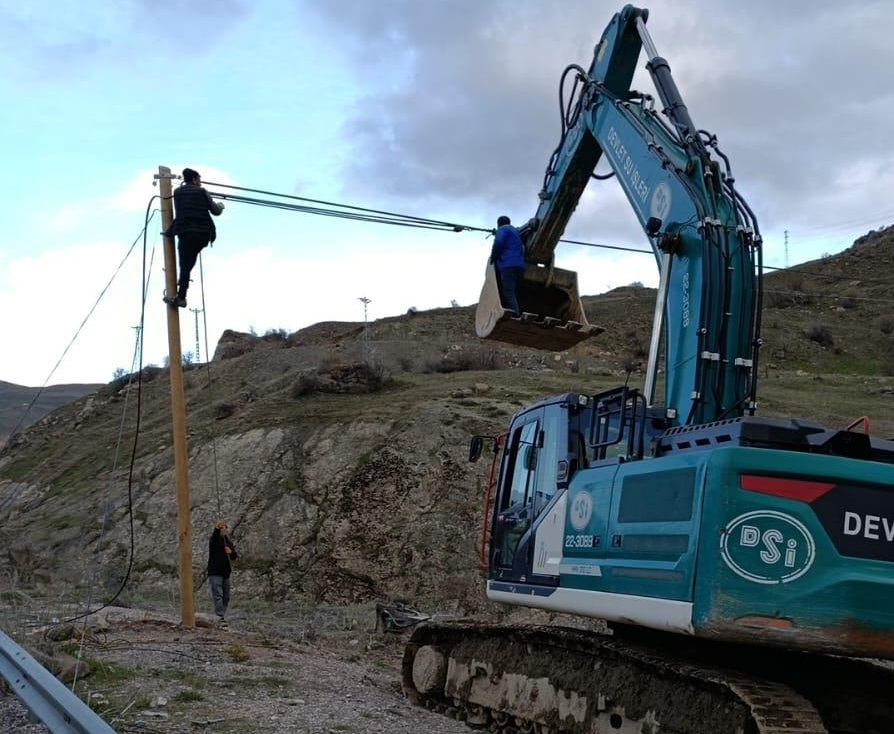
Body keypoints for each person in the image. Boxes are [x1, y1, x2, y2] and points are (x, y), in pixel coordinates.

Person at [163, 168, 225, 308]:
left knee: (185, 265)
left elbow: (180, 214)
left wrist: (169, 231)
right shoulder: (202, 192)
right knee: (188, 263)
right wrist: (221, 206)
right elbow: (215, 211)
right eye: (199, 179)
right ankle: (181, 291)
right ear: (194, 179)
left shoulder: (177, 193)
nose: (200, 182)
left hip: (185, 233)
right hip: (203, 234)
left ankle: (181, 295)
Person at [489, 215, 526, 317]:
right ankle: (517, 314)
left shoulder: (502, 229)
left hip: (508, 265)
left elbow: (498, 242)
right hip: (520, 266)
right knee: (514, 293)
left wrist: (493, 257)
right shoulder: (516, 232)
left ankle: (515, 316)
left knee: (508, 292)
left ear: (498, 224)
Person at [208, 519, 238, 628]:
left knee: (226, 597)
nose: (224, 530)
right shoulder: (214, 540)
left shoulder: (228, 542)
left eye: (225, 528)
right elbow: (215, 536)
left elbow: (234, 556)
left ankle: (221, 615)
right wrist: (217, 528)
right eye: (222, 528)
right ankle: (219, 617)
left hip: (225, 573)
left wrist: (231, 552)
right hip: (215, 572)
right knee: (218, 595)